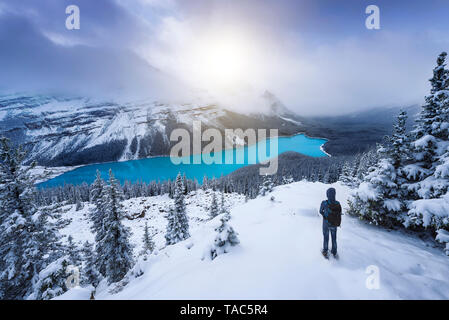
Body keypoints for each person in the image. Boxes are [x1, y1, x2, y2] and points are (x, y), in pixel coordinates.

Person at [319, 188, 342, 258]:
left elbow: (320, 211)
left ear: (327, 194)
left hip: (326, 223)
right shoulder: (338, 203)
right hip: (334, 223)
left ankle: (325, 251)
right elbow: (340, 212)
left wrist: (324, 215)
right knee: (334, 238)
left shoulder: (324, 203)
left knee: (326, 237)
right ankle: (334, 251)